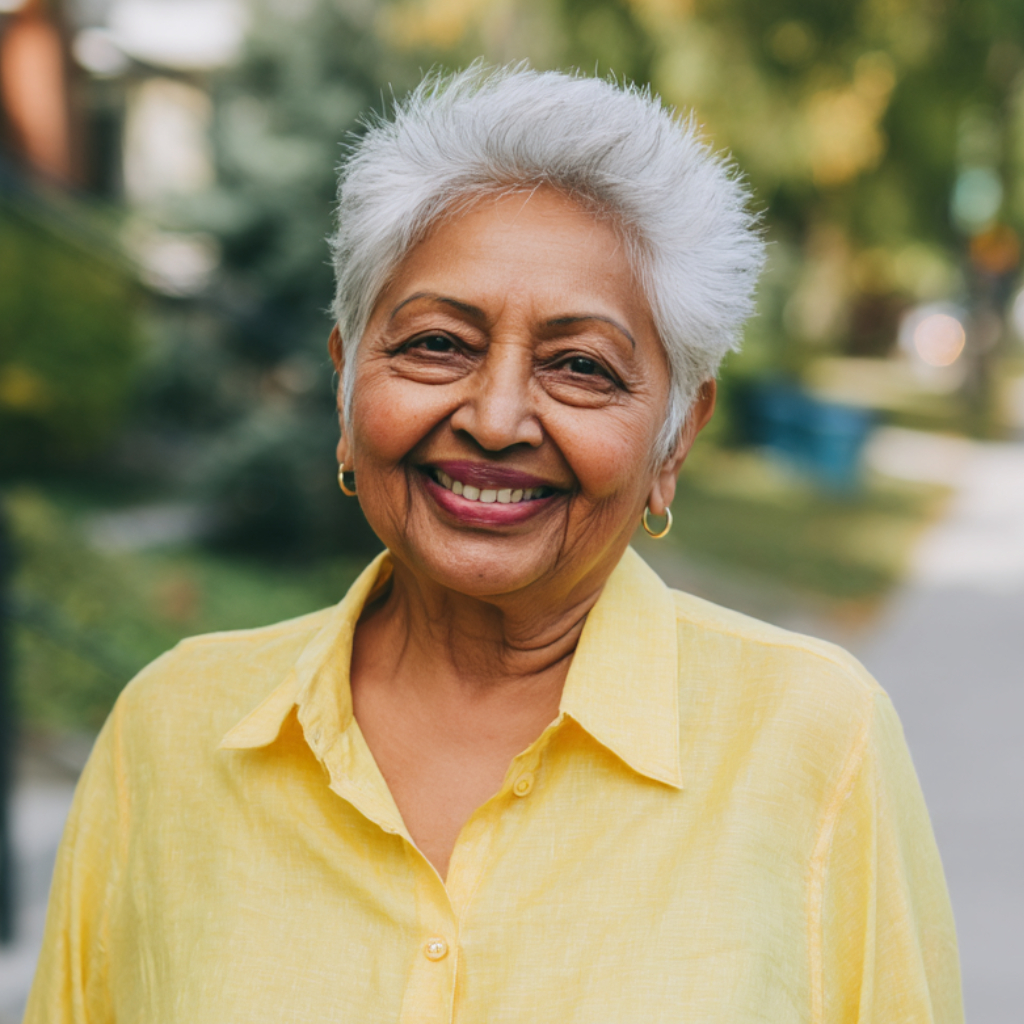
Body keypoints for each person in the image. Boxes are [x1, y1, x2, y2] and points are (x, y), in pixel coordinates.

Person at [25, 65, 962, 1022]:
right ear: (346, 385)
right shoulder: (171, 732)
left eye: (581, 366)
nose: (497, 417)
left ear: (676, 437)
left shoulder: (812, 739)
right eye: (438, 344)